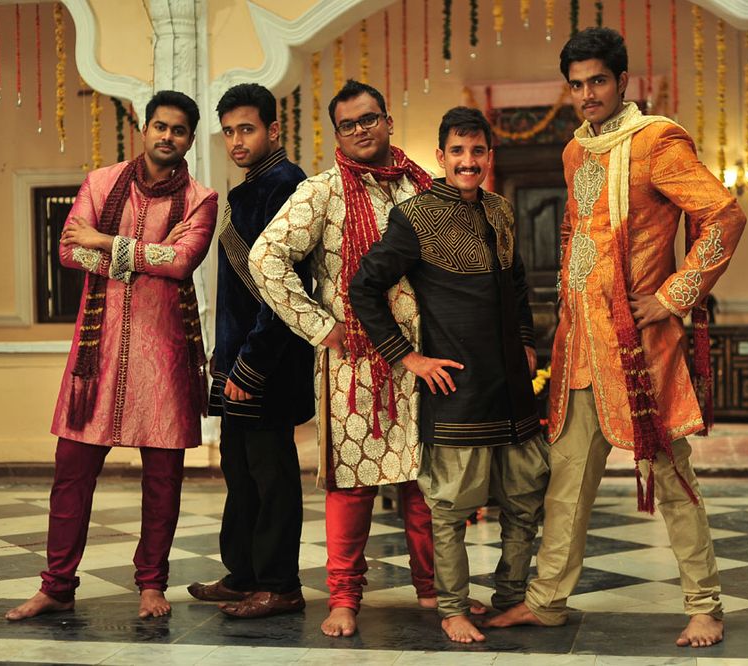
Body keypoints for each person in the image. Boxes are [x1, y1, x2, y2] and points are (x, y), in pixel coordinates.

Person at [486, 27, 746, 648]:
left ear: (622, 80)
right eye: (576, 85)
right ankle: (546, 600)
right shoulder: (575, 151)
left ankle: (704, 605)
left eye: (597, 81)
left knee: (671, 477)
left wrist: (673, 296)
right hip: (580, 347)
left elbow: (724, 215)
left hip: (638, 346)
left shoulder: (657, 141)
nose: (587, 95)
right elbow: (579, 235)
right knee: (567, 481)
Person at [5, 90, 218, 621]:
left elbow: (181, 262)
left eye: (179, 130)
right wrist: (139, 256)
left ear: (190, 139)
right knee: (71, 474)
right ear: (145, 129)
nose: (167, 136)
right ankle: (57, 585)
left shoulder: (201, 199)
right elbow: (67, 249)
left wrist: (103, 241)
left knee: (163, 481)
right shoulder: (101, 183)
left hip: (163, 358)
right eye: (160, 126)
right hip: (94, 361)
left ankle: (151, 584)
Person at [349, 107, 549, 643]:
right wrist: (406, 357)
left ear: (489, 156)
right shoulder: (414, 217)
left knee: (524, 502)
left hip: (512, 392)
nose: (468, 161)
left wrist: (525, 340)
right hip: (458, 391)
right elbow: (364, 288)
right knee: (450, 509)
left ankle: (511, 599)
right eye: (457, 151)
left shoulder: (501, 211)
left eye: (477, 151)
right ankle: (453, 608)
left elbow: (518, 284)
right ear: (441, 156)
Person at [248, 80, 438, 638]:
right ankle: (344, 599)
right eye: (348, 124)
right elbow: (265, 258)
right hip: (356, 366)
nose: (360, 130)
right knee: (352, 487)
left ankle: (435, 592)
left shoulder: (425, 187)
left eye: (369, 118)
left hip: (424, 358)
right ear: (337, 133)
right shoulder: (323, 192)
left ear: (388, 121)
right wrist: (319, 327)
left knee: (426, 485)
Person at [183, 84, 312, 619]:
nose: (237, 140)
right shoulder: (251, 188)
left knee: (271, 474)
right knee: (239, 469)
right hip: (238, 357)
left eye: (247, 129)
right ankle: (244, 576)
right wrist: (225, 358)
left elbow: (283, 288)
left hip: (268, 361)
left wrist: (252, 365)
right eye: (229, 131)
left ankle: (280, 585)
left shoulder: (286, 186)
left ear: (272, 130)